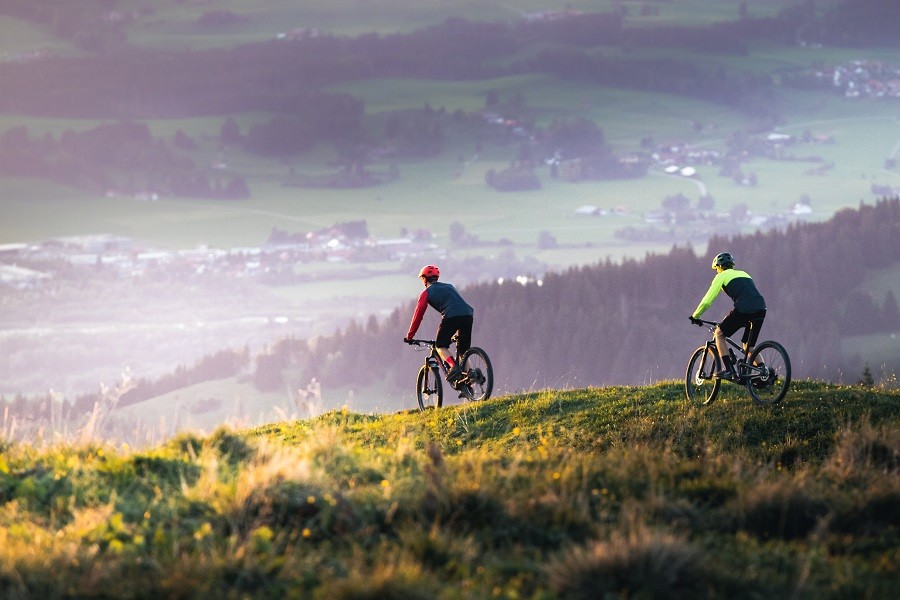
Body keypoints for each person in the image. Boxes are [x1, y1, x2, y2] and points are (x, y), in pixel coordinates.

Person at [690, 252, 766, 381]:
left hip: (744, 309)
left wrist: (695, 315)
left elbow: (707, 300)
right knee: (749, 346)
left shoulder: (721, 276)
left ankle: (729, 370)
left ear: (719, 267)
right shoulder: (744, 274)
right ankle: (764, 373)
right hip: (761, 309)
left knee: (719, 334)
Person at [404, 265, 474, 383]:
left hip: (451, 316)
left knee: (440, 345)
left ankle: (453, 366)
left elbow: (418, 316)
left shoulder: (426, 293)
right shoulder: (449, 286)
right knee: (463, 351)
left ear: (425, 279)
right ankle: (472, 375)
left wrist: (410, 336)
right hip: (468, 314)